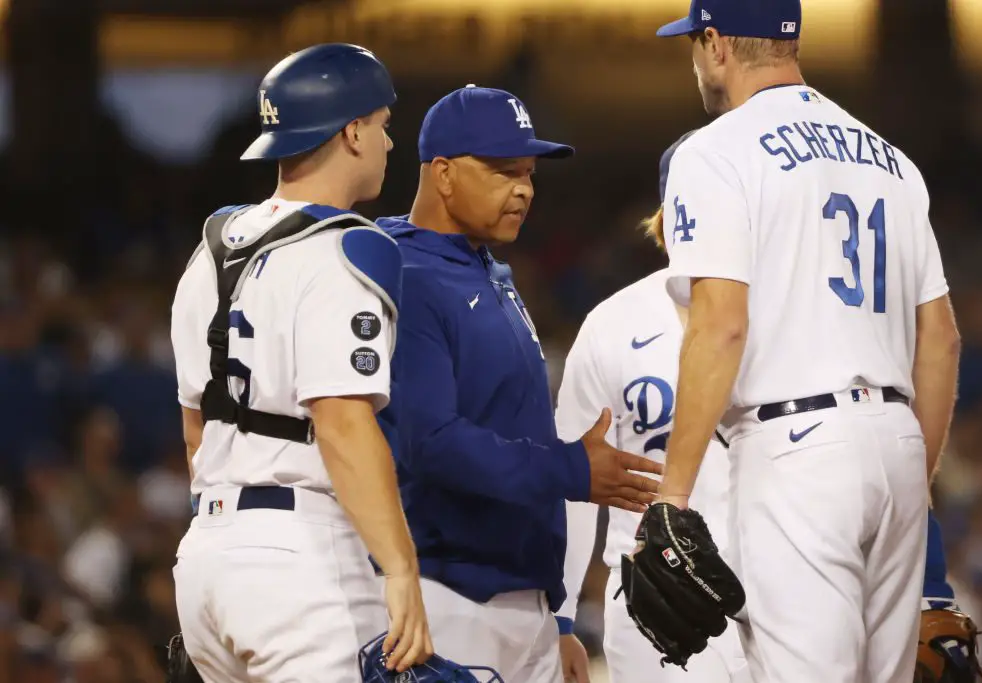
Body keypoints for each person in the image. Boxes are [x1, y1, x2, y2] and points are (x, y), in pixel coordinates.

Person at [651, 0, 962, 681]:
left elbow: (721, 323)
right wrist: (914, 473)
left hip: (797, 452)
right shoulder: (892, 161)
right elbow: (939, 339)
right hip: (898, 443)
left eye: (695, 44)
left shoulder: (714, 150)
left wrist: (671, 495)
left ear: (715, 42)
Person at [374, 84, 663, 683]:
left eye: (529, 173)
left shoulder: (490, 271)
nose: (525, 189)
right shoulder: (405, 272)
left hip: (518, 604)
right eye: (504, 170)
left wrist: (552, 621)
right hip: (448, 597)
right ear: (444, 174)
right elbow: (430, 442)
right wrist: (572, 471)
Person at [169, 43, 432, 682]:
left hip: (205, 552)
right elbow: (341, 419)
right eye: (382, 125)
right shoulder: (347, 248)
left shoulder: (211, 247)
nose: (389, 143)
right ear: (351, 132)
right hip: (301, 560)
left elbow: (196, 430)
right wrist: (399, 568)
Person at [556, 131, 749, 683]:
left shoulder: (788, 314)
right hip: (655, 598)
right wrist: (563, 617)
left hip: (776, 586)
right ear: (666, 220)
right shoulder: (613, 323)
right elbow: (572, 484)